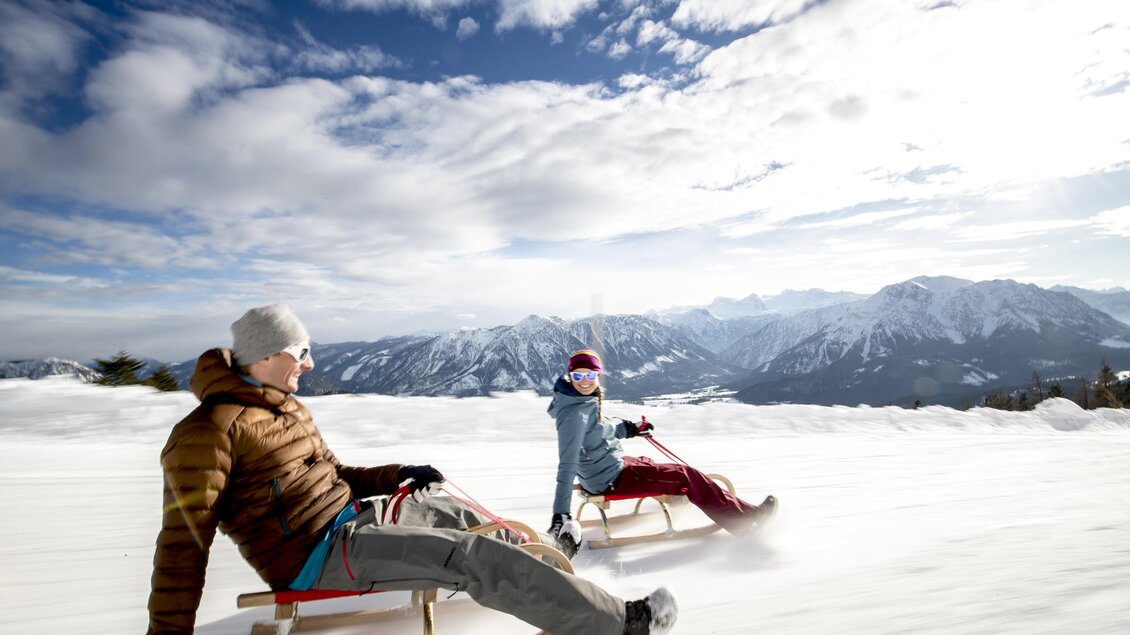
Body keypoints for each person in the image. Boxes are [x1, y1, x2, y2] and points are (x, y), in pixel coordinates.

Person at [147, 305, 677, 635]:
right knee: (468, 555)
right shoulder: (207, 434)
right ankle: (617, 625)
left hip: (352, 516)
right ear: (265, 356)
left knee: (457, 512)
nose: (309, 364)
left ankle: (550, 586)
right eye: (301, 352)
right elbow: (181, 549)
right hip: (313, 555)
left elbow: (335, 472)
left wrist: (401, 472)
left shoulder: (283, 406)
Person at [546, 348, 777, 554]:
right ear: (570, 376)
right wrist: (560, 515)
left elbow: (600, 431)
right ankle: (744, 523)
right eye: (578, 375)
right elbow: (567, 466)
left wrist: (631, 428)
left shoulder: (579, 401)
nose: (584, 381)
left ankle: (743, 510)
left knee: (649, 462)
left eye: (590, 375)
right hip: (610, 479)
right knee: (686, 475)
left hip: (608, 467)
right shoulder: (575, 415)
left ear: (598, 376)